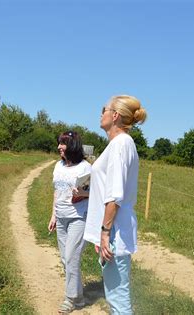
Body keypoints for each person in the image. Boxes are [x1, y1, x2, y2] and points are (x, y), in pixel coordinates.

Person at [83, 95, 147, 314]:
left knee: (119, 301)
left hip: (115, 234)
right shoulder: (118, 144)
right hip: (113, 233)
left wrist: (104, 232)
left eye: (104, 109)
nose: (100, 113)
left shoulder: (120, 144)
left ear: (115, 115)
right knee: (115, 297)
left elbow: (115, 195)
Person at [48, 131, 92, 313]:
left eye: (63, 143)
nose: (59, 147)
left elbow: (97, 193)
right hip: (62, 216)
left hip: (79, 217)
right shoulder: (58, 166)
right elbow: (57, 192)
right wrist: (53, 215)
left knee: (72, 256)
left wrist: (82, 194)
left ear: (72, 145)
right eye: (59, 143)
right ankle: (80, 297)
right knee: (66, 259)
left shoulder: (86, 168)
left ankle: (70, 298)